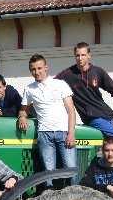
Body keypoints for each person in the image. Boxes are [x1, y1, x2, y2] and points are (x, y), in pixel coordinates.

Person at [56, 42, 113, 164]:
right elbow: (52, 86)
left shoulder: (98, 72)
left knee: (112, 146)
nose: (80, 58)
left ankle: (111, 170)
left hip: (108, 116)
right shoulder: (68, 74)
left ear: (89, 55)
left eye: (83, 55)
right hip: (92, 118)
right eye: (77, 55)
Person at [18, 54, 76, 186]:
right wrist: (22, 117)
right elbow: (23, 109)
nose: (36, 72)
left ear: (46, 68)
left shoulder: (60, 84)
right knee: (48, 173)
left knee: (71, 169)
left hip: (64, 132)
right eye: (33, 69)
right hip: (44, 134)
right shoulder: (29, 89)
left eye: (39, 68)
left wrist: (71, 133)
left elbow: (71, 110)